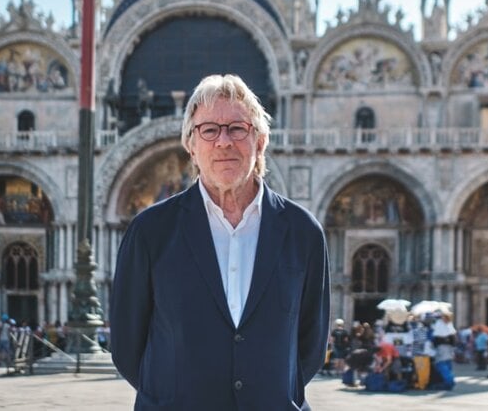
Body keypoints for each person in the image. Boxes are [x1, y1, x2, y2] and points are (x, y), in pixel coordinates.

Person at [111, 73, 330, 410]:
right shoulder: (150, 231)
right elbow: (126, 346)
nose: (224, 142)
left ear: (260, 142)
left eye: (238, 129)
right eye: (209, 130)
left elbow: (310, 346)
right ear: (191, 146)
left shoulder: (303, 233)